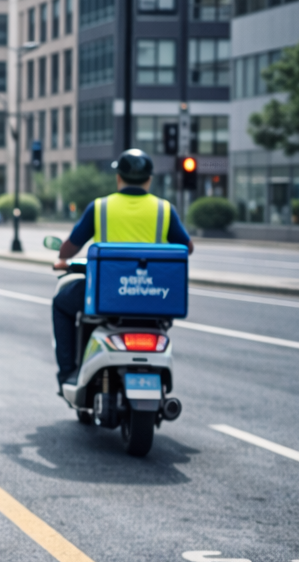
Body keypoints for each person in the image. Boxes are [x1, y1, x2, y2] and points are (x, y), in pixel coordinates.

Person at [52, 148, 194, 385]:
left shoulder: (100, 207)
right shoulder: (164, 209)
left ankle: (68, 371)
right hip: (152, 296)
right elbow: (186, 248)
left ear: (118, 178)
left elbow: (70, 248)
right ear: (149, 180)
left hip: (107, 295)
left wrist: (62, 258)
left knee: (61, 304)